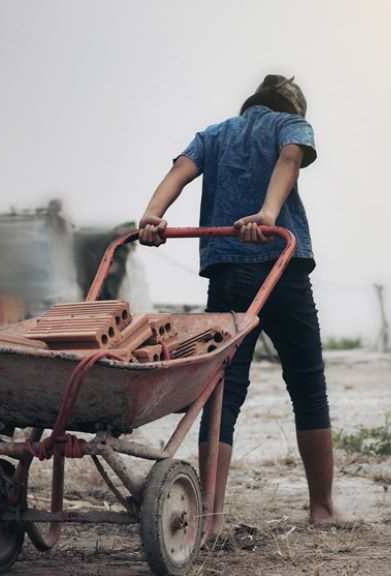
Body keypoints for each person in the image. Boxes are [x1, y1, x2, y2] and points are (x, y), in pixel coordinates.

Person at [137, 74, 343, 540]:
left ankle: (210, 519)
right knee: (307, 383)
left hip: (229, 268)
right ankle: (323, 508)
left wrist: (153, 215)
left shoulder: (215, 134)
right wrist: (269, 215)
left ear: (251, 102)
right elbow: (290, 159)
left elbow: (180, 171)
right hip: (281, 265)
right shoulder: (290, 125)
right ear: (293, 108)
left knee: (223, 390)